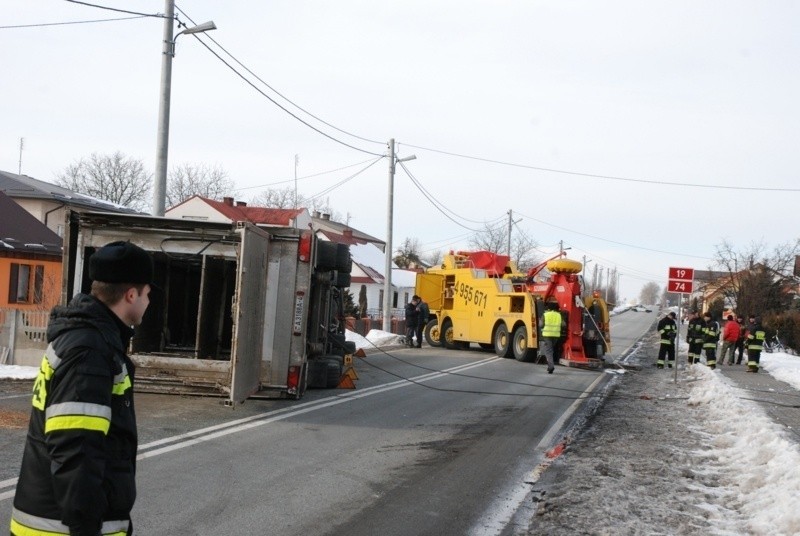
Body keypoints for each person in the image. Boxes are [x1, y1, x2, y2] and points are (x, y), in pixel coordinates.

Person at [11, 241, 154, 536]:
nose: (149, 303)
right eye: (147, 294)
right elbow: (76, 448)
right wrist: (86, 527)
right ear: (131, 295)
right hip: (64, 529)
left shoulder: (87, 340)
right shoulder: (90, 351)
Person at [540, 302, 561, 374]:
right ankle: (551, 364)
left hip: (547, 335)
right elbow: (563, 324)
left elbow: (541, 325)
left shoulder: (545, 314)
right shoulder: (559, 315)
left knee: (548, 351)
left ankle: (551, 366)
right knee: (551, 350)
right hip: (556, 335)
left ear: (548, 308)